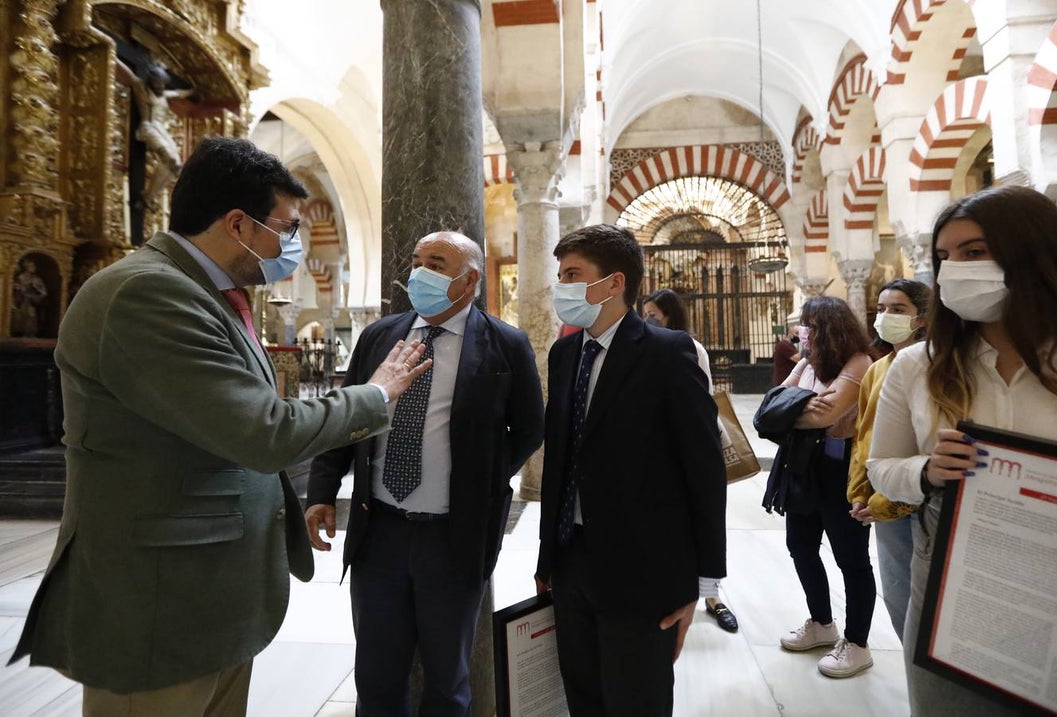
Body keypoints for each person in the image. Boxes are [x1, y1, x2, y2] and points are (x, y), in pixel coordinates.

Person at [7, 137, 431, 715]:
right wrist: (376, 395)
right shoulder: (148, 293)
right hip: (159, 604)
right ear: (238, 223)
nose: (292, 244)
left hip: (209, 596)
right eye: (285, 228)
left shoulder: (206, 293)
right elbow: (263, 430)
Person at [867, 185, 1057, 715]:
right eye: (945, 257)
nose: (954, 269)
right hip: (959, 577)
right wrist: (928, 470)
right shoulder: (917, 367)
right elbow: (882, 467)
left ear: (1032, 254)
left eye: (974, 252)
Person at [306, 231, 545, 717]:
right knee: (376, 674)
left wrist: (484, 476)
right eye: (416, 260)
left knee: (447, 678)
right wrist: (322, 492)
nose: (419, 273)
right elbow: (345, 418)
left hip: (452, 540)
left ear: (468, 280)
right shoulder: (380, 336)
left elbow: (529, 427)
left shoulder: (504, 344)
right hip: (380, 534)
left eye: (435, 263)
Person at [535, 224, 727, 717]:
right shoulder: (564, 354)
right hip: (571, 561)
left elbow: (703, 469)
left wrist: (702, 582)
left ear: (615, 283)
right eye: (560, 275)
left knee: (635, 700)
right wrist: (546, 560)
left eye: (573, 274)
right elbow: (560, 456)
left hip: (643, 571)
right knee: (584, 697)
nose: (562, 286)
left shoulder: (668, 353)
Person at [778, 296, 876, 678]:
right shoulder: (807, 362)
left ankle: (857, 643)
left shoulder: (858, 363)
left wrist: (793, 410)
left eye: (811, 325)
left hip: (842, 474)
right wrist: (800, 408)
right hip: (804, 469)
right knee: (799, 546)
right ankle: (821, 623)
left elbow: (829, 414)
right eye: (804, 325)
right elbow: (772, 407)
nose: (804, 332)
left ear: (832, 328)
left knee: (851, 559)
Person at [642, 287, 739, 634]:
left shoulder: (689, 347)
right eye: (646, 313)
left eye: (655, 314)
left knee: (704, 521)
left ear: (670, 315)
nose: (648, 319)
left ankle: (713, 597)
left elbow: (702, 402)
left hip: (691, 449)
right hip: (659, 453)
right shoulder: (642, 346)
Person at [846, 279, 930, 643]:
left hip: (924, 495)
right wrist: (860, 493)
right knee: (898, 595)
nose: (886, 317)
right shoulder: (878, 369)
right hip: (881, 501)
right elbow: (864, 436)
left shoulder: (935, 364)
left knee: (928, 600)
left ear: (922, 319)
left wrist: (883, 500)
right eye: (881, 309)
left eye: (897, 310)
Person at [118, 57, 196, 208]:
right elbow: (128, 74)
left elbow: (179, 93)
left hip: (161, 129)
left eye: (162, 83)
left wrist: (193, 91)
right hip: (148, 127)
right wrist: (112, 47)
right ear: (151, 81)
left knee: (175, 166)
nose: (160, 86)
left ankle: (148, 197)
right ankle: (147, 198)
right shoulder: (141, 87)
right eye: (157, 82)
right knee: (170, 158)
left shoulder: (164, 95)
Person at [11, 257, 48, 337]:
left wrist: (35, 295)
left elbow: (43, 292)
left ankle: (30, 333)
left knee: (31, 316)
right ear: (27, 267)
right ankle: (20, 333)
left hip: (31, 302)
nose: (33, 268)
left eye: (34, 266)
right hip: (21, 301)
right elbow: (14, 288)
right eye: (31, 266)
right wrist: (19, 289)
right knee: (19, 315)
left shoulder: (36, 279)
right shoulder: (20, 278)